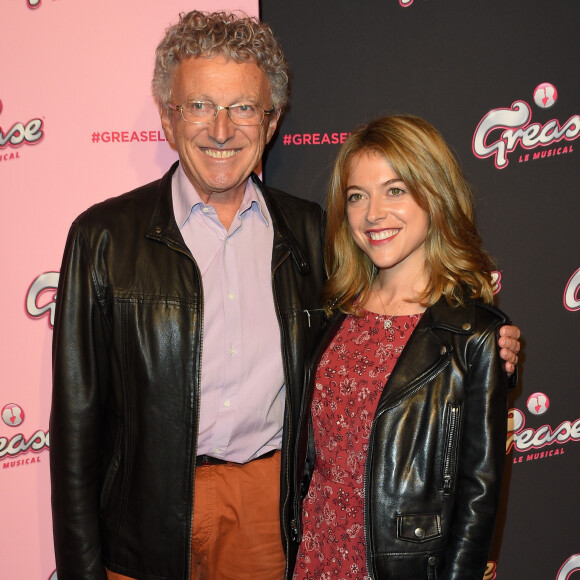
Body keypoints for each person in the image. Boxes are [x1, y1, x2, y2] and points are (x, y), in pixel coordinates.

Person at [49, 11, 520, 580]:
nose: (221, 129)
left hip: (269, 512)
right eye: (199, 105)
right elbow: (76, 427)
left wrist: (488, 350)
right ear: (169, 118)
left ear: (270, 122)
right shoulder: (102, 237)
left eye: (243, 107)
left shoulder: (311, 233)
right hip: (142, 517)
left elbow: (401, 318)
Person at [289, 115, 514, 580]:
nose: (373, 214)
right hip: (315, 556)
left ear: (434, 195)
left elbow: (478, 498)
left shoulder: (473, 334)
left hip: (401, 567)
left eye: (395, 190)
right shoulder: (332, 311)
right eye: (357, 196)